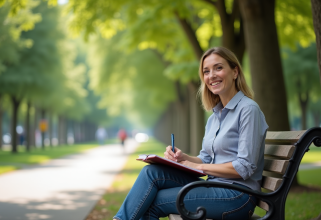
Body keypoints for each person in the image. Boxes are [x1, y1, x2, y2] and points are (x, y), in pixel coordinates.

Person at [113, 47, 268, 220]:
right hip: (214, 186)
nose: (212, 75)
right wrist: (182, 158)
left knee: (151, 203)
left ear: (235, 72)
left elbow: (244, 167)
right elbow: (206, 159)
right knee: (151, 172)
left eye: (218, 68)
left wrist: (199, 167)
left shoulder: (248, 110)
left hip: (237, 196)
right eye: (206, 71)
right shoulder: (214, 117)